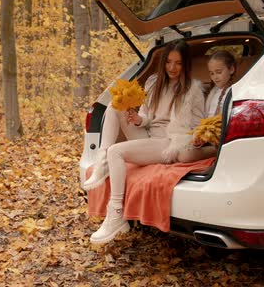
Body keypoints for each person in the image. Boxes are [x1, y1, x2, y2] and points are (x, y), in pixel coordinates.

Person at [83, 39, 205, 244]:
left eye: (178, 63)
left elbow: (199, 121)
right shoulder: (154, 83)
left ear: (186, 65)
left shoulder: (193, 89)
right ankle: (102, 160)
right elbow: (148, 116)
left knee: (117, 151)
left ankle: (116, 215)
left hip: (168, 142)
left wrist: (197, 138)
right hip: (148, 136)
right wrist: (139, 120)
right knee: (115, 105)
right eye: (168, 62)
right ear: (163, 62)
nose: (172, 68)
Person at [177, 50, 237, 163]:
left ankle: (215, 152)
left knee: (184, 155)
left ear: (231, 69)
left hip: (219, 141)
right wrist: (199, 136)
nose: (215, 77)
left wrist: (206, 136)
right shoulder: (213, 92)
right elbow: (204, 119)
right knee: (179, 144)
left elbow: (224, 123)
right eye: (212, 73)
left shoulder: (233, 93)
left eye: (219, 72)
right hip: (205, 136)